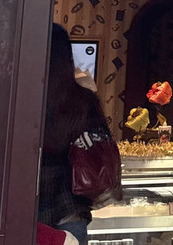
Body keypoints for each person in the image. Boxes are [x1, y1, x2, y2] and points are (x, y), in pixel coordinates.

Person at [38, 24, 118, 245]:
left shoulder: (24, 97)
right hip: (70, 209)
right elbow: (103, 146)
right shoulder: (83, 99)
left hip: (26, 209)